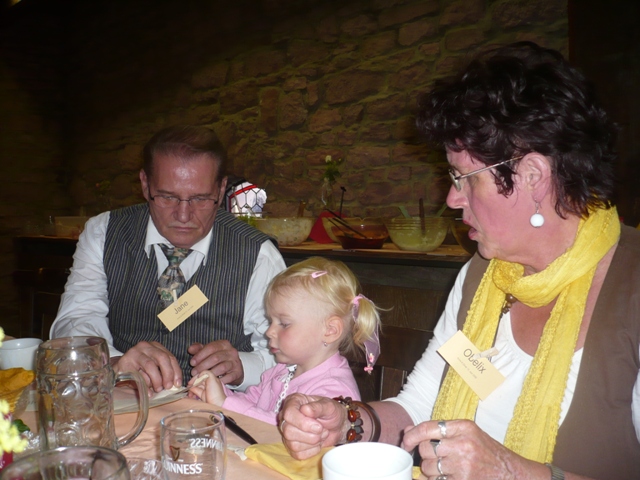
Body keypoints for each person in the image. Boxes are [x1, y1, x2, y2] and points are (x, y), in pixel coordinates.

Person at [278, 42, 640, 480]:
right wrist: (345, 422)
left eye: (464, 178)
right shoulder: (481, 275)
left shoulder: (632, 286)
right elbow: (420, 406)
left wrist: (511, 472)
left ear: (533, 176)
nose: (452, 198)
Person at [52, 125, 286, 393]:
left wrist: (243, 367)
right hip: (123, 400)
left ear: (221, 189)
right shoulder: (104, 233)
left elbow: (291, 356)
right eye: (167, 197)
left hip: (216, 411)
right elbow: (77, 318)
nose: (183, 216)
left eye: (200, 199)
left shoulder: (258, 254)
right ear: (145, 184)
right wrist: (113, 363)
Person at [188, 256, 382, 425]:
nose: (269, 332)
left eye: (284, 324)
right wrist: (216, 393)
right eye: (271, 321)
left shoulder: (334, 391)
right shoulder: (282, 371)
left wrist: (224, 403)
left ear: (330, 331)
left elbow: (288, 430)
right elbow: (250, 404)